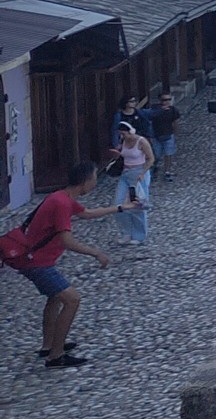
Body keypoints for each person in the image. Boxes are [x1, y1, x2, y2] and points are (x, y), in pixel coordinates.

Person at [3, 158, 128, 368]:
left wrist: (121, 208)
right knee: (72, 300)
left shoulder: (62, 197)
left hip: (37, 260)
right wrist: (96, 253)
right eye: (94, 179)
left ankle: (48, 345)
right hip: (36, 262)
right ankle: (56, 356)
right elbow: (66, 240)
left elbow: (86, 214)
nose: (95, 182)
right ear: (86, 181)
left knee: (55, 298)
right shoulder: (61, 203)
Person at [112, 123, 155, 245]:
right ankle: (126, 233)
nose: (122, 135)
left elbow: (151, 158)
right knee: (118, 203)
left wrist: (143, 173)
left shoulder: (141, 141)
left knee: (137, 205)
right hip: (126, 174)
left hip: (138, 175)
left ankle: (139, 235)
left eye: (123, 133)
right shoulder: (123, 141)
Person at [150, 91, 180, 181]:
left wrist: (176, 134)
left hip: (169, 135)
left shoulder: (173, 110)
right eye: (164, 100)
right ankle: (154, 168)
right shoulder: (155, 110)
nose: (167, 101)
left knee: (168, 154)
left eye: (169, 99)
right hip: (156, 136)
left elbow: (175, 122)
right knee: (157, 155)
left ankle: (167, 171)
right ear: (160, 100)